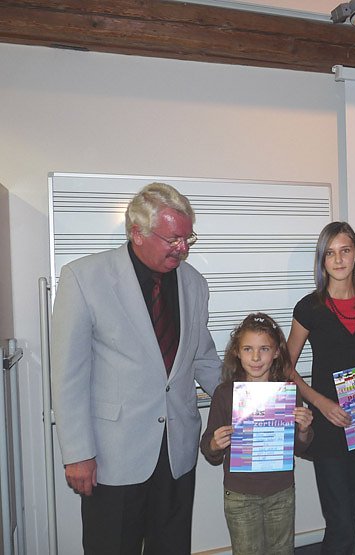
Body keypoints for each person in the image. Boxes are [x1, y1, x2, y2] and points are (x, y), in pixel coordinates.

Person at [51, 182, 222, 554]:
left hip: (177, 453)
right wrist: (77, 453)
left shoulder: (194, 283)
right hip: (113, 455)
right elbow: (68, 376)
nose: (183, 247)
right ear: (137, 233)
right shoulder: (84, 277)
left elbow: (203, 358)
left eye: (187, 237)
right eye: (173, 239)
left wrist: (251, 402)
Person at [286, 221, 355, 554]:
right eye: (330, 253)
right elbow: (286, 366)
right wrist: (320, 403)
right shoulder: (309, 308)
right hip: (326, 422)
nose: (338, 259)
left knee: (350, 515)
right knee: (339, 518)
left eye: (345, 251)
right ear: (322, 260)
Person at [200, 312, 314, 555]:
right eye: (248, 349)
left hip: (281, 491)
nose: (255, 357)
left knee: (282, 551)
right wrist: (215, 444)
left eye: (264, 349)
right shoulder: (225, 394)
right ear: (237, 352)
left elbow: (299, 447)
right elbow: (208, 447)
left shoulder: (288, 393)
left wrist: (304, 430)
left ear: (276, 352)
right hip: (240, 494)